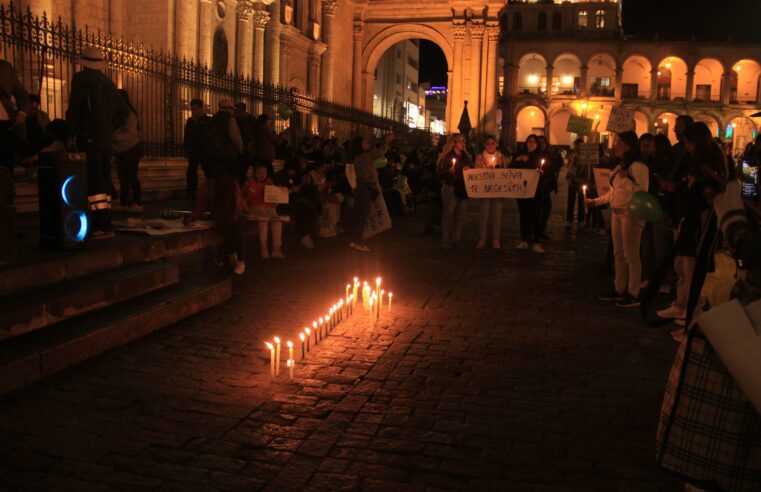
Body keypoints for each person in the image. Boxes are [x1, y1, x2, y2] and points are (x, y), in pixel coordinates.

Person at [657, 122, 728, 324]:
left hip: (703, 217)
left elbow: (732, 187)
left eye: (688, 143)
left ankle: (693, 315)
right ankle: (684, 307)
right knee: (684, 264)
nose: (685, 147)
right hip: (690, 213)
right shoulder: (750, 160)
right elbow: (747, 190)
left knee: (694, 267)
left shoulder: (716, 159)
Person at [65, 47, 130, 238]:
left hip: (89, 137)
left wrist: (69, 133)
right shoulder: (109, 84)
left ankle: (98, 224)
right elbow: (124, 113)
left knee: (93, 183)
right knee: (103, 181)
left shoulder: (82, 80)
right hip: (104, 140)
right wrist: (108, 127)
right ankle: (104, 221)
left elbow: (74, 109)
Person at [587, 131, 649, 308]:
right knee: (618, 254)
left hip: (631, 215)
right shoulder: (620, 166)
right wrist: (596, 202)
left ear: (628, 146)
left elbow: (642, 193)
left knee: (631, 255)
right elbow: (614, 192)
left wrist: (625, 178)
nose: (614, 146)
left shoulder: (637, 167)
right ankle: (619, 288)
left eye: (618, 143)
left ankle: (633, 292)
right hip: (617, 212)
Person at [184, 167, 247, 274]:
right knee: (226, 229)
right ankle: (230, 256)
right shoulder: (207, 186)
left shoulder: (232, 184)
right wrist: (192, 217)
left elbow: (238, 204)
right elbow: (201, 205)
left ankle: (240, 261)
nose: (213, 183)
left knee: (235, 229)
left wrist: (234, 216)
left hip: (234, 214)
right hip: (220, 215)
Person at [512, 134, 549, 253]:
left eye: (534, 142)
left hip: (536, 191)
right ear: (526, 143)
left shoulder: (541, 157)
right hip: (521, 191)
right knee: (523, 215)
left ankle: (537, 241)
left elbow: (547, 172)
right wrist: (518, 160)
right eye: (529, 141)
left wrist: (542, 173)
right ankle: (524, 239)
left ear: (537, 144)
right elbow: (511, 169)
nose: (531, 143)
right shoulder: (519, 155)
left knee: (535, 216)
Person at [243, 163, 285, 259]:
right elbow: (243, 198)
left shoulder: (269, 182)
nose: (262, 175)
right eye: (259, 172)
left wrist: (280, 194)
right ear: (254, 173)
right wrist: (246, 206)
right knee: (263, 219)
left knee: (277, 221)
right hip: (255, 207)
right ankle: (264, 249)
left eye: (264, 172)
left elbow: (274, 197)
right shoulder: (248, 183)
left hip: (268, 207)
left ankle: (276, 250)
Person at [437, 133, 472, 249]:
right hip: (450, 188)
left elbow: (471, 172)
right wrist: (449, 171)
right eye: (460, 141)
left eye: (463, 141)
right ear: (453, 143)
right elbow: (439, 174)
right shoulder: (447, 157)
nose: (462, 143)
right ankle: (445, 239)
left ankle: (456, 238)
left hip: (463, 188)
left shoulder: (466, 157)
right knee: (449, 214)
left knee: (460, 215)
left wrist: (469, 170)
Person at [474, 135, 508, 249]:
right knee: (483, 214)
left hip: (497, 191)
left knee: (497, 215)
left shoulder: (502, 157)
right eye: (488, 143)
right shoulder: (480, 157)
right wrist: (485, 171)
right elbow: (476, 172)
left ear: (496, 144)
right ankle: (482, 238)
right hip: (485, 190)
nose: (490, 145)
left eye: (492, 143)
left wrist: (498, 170)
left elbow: (506, 172)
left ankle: (495, 239)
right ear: (484, 145)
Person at [112, 89, 143, 212]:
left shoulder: (130, 115)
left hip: (131, 149)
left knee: (132, 176)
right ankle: (123, 202)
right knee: (122, 178)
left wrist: (114, 136)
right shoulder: (118, 115)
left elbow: (130, 134)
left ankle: (138, 202)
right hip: (120, 150)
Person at [349, 135, 380, 252]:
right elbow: (378, 154)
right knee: (362, 217)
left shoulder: (357, 157)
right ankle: (358, 242)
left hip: (361, 189)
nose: (368, 145)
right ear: (360, 145)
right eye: (366, 143)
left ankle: (355, 240)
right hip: (365, 188)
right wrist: (385, 142)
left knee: (358, 216)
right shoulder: (364, 157)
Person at [202, 99, 243, 178]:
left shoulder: (212, 119)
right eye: (232, 109)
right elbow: (235, 136)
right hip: (228, 154)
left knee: (217, 178)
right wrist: (240, 148)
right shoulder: (230, 119)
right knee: (230, 178)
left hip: (214, 155)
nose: (233, 111)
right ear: (227, 108)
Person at [183, 99, 209, 200]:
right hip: (193, 150)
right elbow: (187, 135)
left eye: (195, 109)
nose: (193, 111)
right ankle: (191, 191)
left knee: (208, 171)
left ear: (201, 109)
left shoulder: (207, 121)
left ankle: (210, 190)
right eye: (192, 109)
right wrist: (186, 148)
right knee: (191, 171)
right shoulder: (190, 121)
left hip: (204, 151)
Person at [565, 138, 586, 227]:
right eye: (576, 146)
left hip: (581, 181)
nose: (577, 148)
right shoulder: (572, 156)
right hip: (573, 181)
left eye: (579, 146)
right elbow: (569, 167)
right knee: (571, 201)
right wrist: (568, 175)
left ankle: (581, 220)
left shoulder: (586, 156)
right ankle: (569, 220)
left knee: (582, 201)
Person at [234, 102, 256, 183]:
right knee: (243, 169)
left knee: (239, 169)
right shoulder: (251, 118)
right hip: (246, 147)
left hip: (240, 147)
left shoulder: (236, 119)